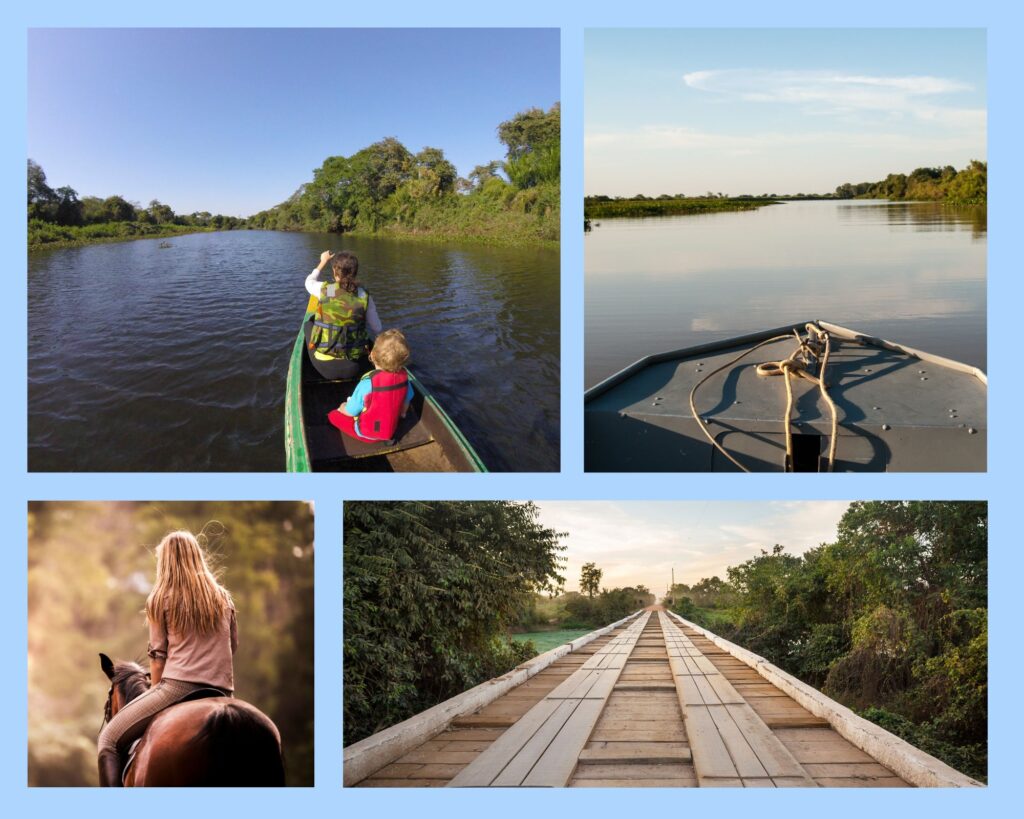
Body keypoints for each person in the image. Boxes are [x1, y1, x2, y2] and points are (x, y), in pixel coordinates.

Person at [97, 530, 238, 787]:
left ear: (166, 562)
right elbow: (232, 647)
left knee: (108, 739)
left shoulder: (161, 599)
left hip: (177, 688)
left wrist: (156, 690)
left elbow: (158, 659)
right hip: (223, 692)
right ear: (197, 557)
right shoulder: (224, 598)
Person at [304, 250, 383, 380]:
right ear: (355, 272)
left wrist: (323, 261)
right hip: (355, 366)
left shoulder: (328, 290)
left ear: (335, 272)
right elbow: (377, 328)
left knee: (308, 324)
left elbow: (309, 282)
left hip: (324, 367)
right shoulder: (363, 294)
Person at [327, 328, 414, 444]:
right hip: (391, 429)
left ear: (372, 356)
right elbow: (405, 404)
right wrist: (401, 414)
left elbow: (351, 412)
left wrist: (342, 407)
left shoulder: (367, 384)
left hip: (366, 433)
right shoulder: (404, 379)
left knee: (333, 416)